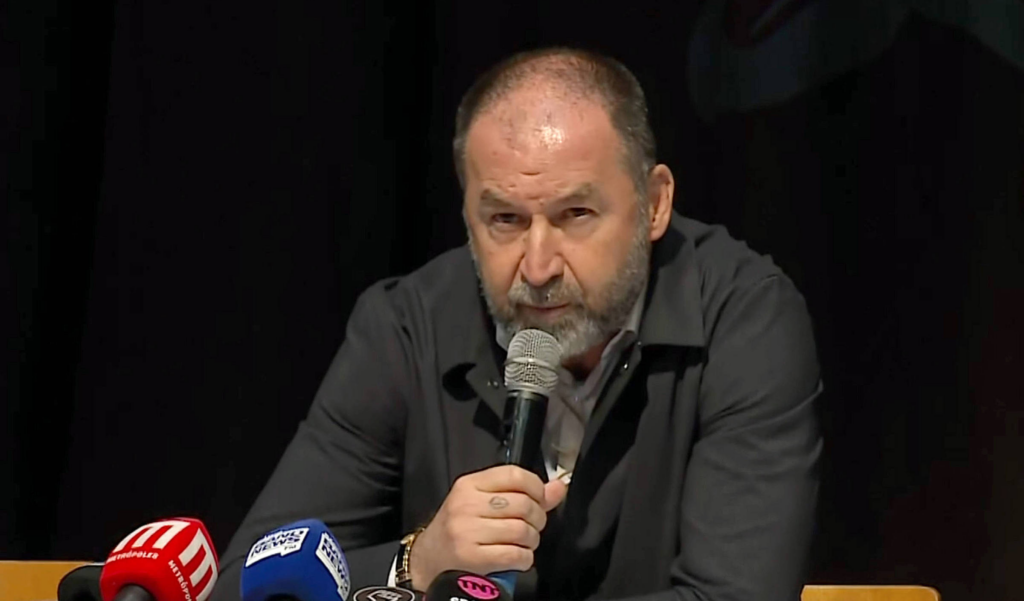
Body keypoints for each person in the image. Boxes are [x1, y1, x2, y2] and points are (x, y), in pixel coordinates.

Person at [210, 48, 822, 601]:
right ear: (467, 215)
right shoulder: (406, 327)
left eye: (576, 213)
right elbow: (242, 585)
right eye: (505, 219)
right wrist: (417, 561)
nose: (537, 267)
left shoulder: (743, 318)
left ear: (655, 203)